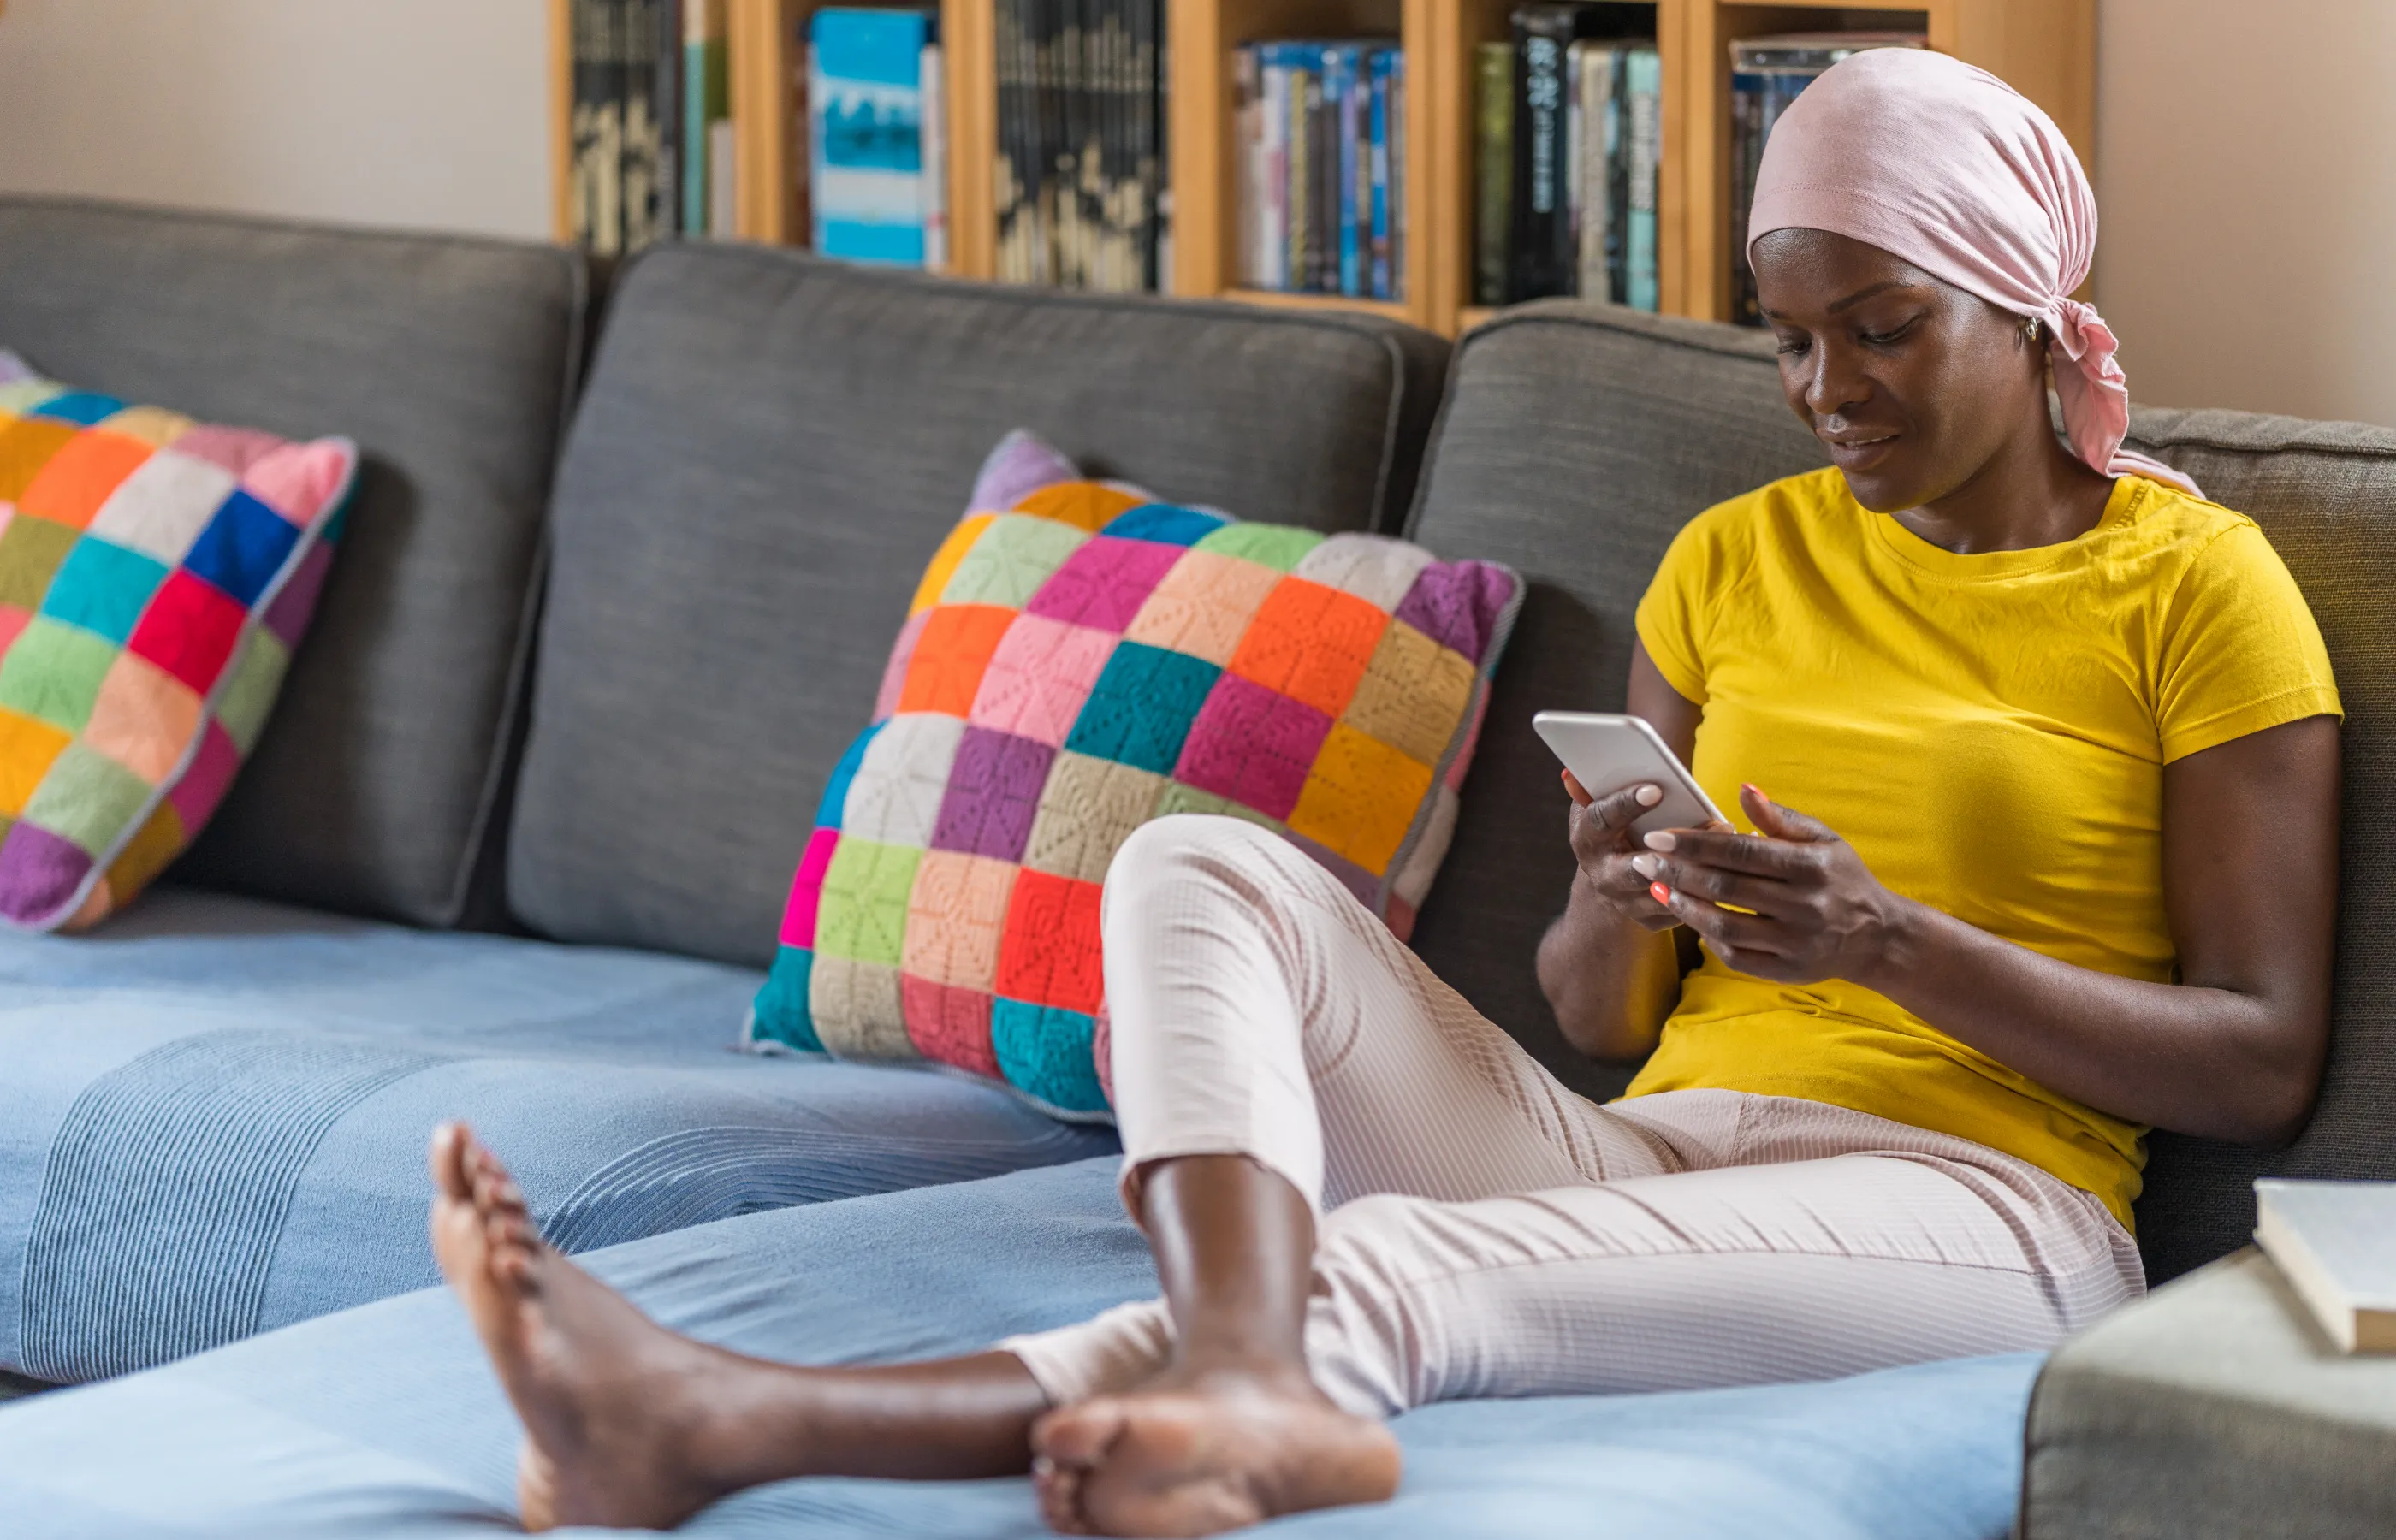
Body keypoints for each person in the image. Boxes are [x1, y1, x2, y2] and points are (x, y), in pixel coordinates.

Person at [427, 48, 2343, 1537]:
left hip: (1983, 1211)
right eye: (1787, 335)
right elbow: (1599, 1026)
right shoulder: (1734, 560)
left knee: (1409, 1265)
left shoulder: (2193, 586)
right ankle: (1240, 1365)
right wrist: (1615, 896)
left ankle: (723, 1420)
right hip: (1658, 1142)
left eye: (1880, 326)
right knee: (1192, 862)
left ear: (2016, 302)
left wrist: (1888, 943)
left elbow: (2254, 1062)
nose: (1822, 387)